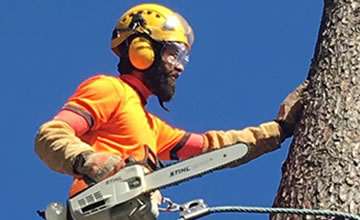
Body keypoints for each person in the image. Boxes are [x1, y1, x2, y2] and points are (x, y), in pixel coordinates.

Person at [35, 3, 308, 219]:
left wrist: (279, 129)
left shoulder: (152, 127)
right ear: (143, 49)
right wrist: (91, 161)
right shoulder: (108, 89)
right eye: (173, 54)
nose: (179, 66)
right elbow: (51, 134)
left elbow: (213, 148)